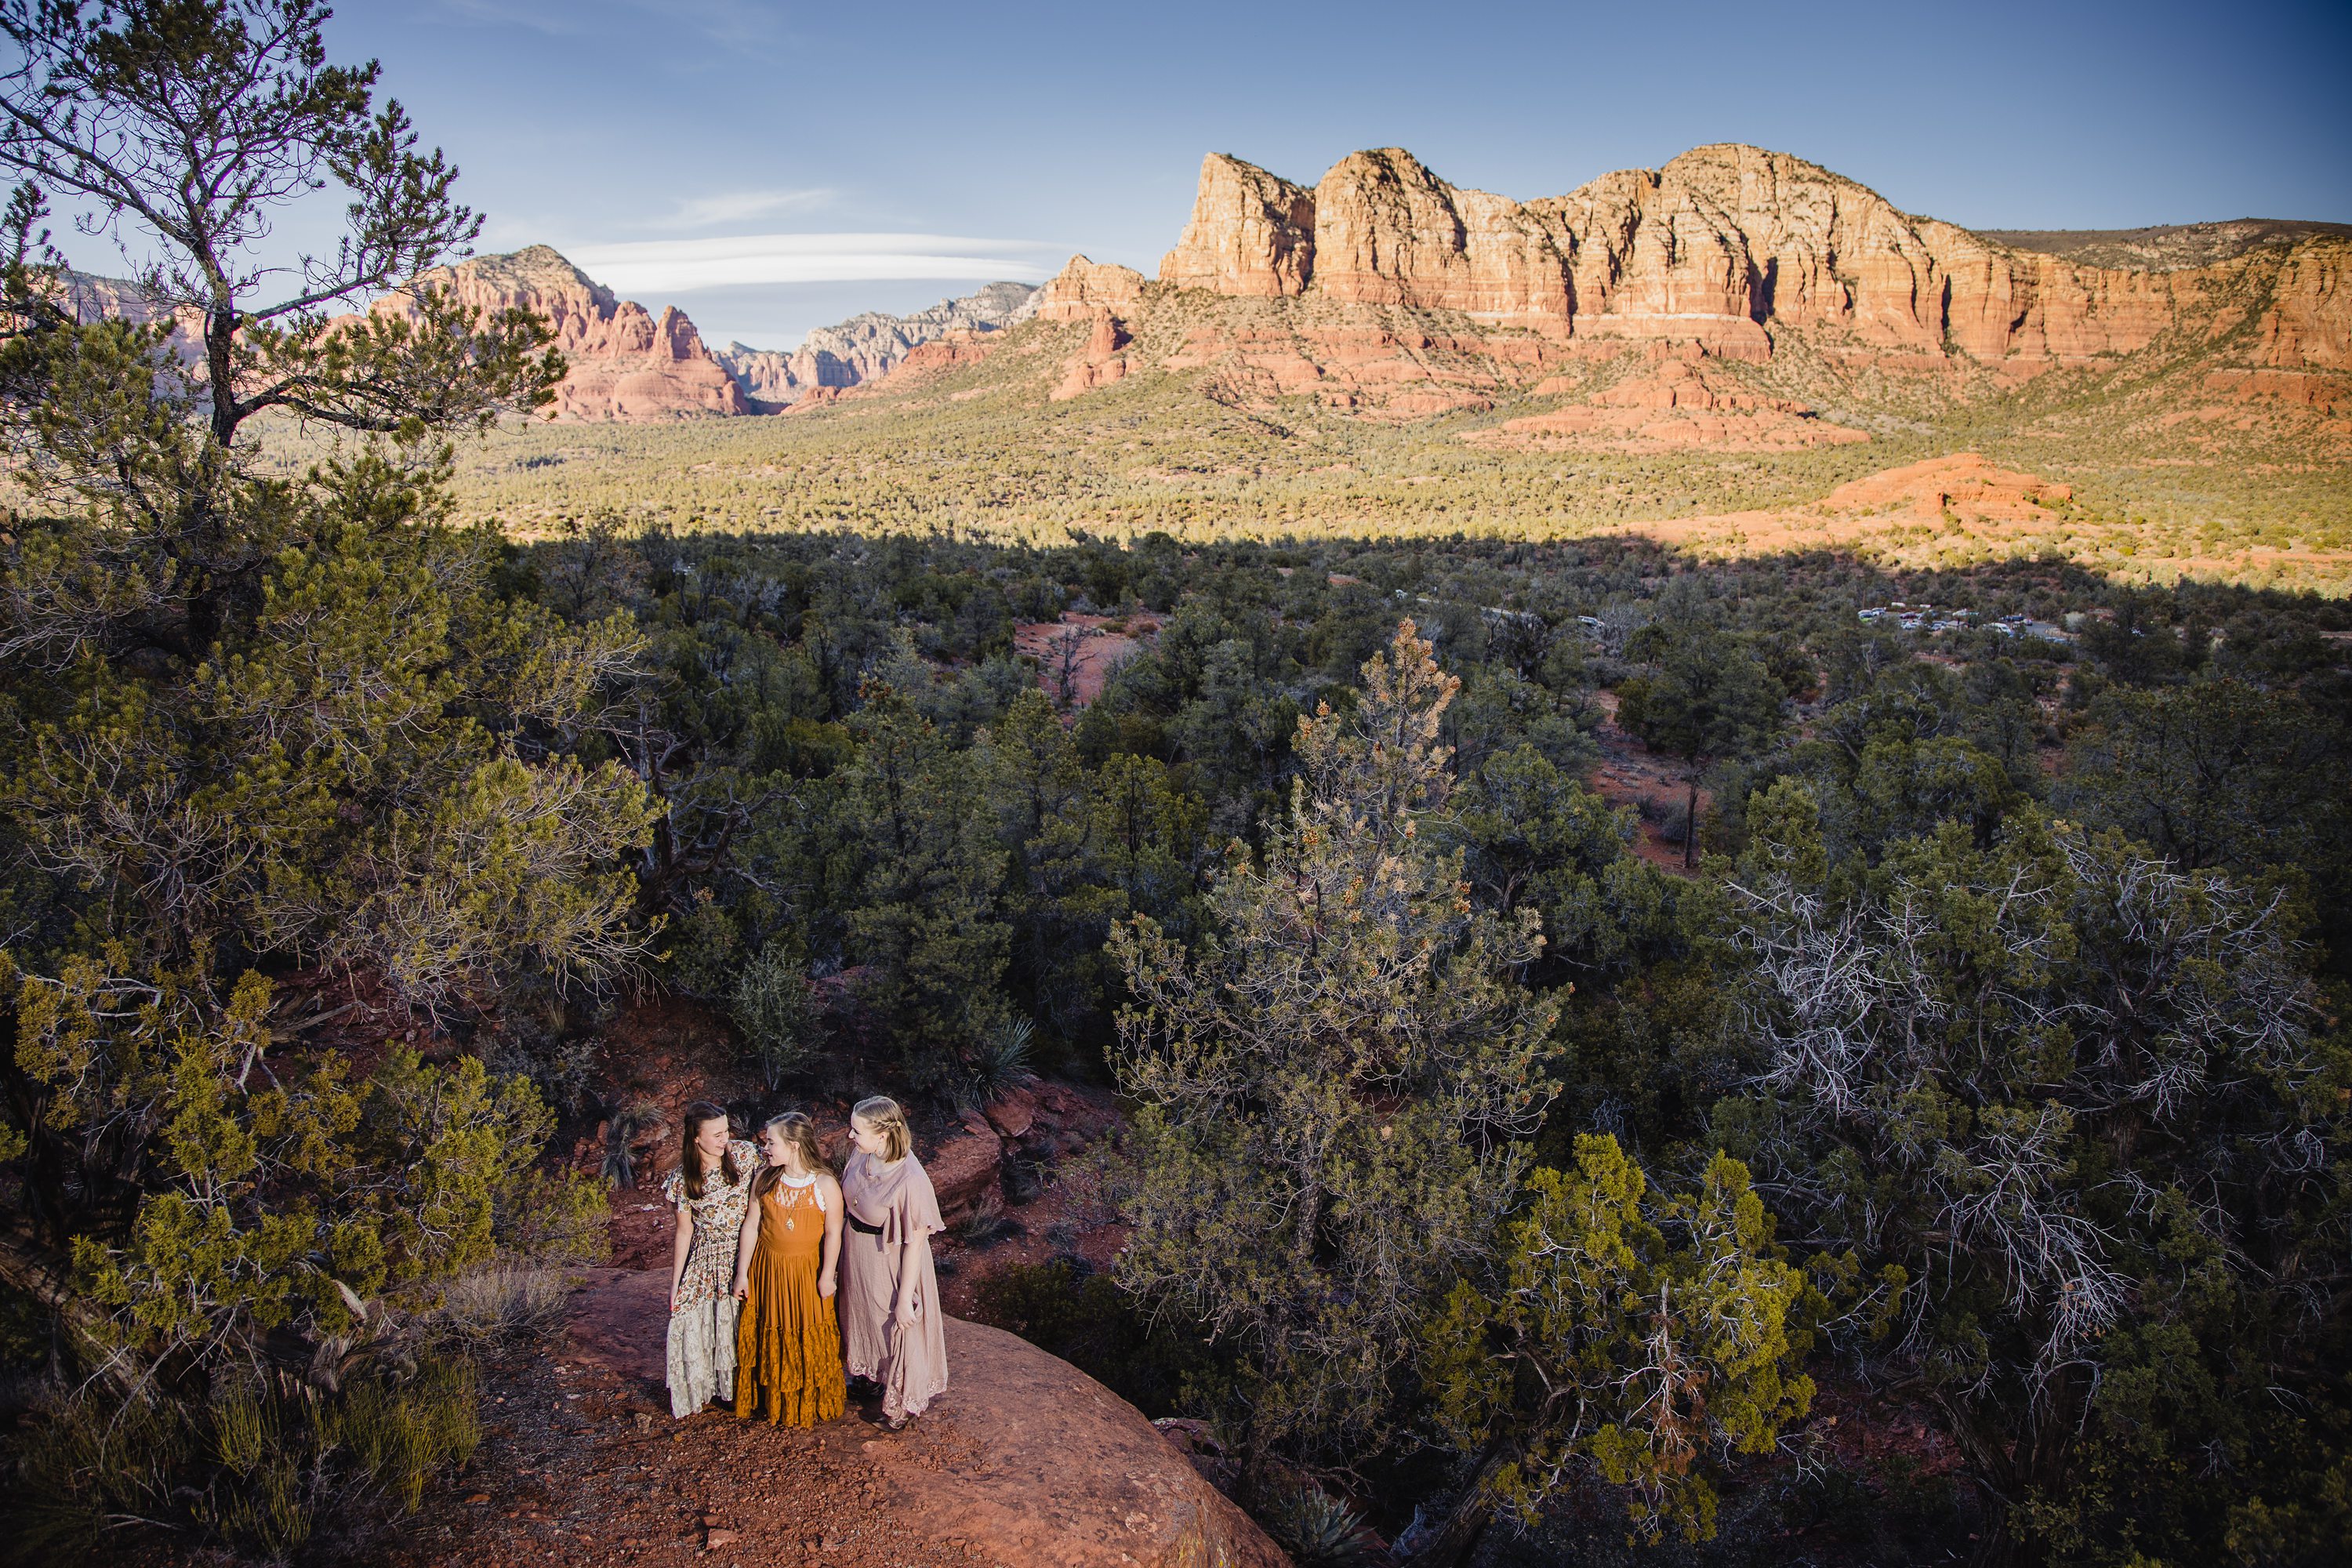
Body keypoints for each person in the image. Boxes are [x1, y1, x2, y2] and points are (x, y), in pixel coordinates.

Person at [838, 1094, 948, 1428]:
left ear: (883, 1135)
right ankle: (870, 1376)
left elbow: (915, 1245)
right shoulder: (862, 1153)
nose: (850, 1137)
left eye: (857, 1131)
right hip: (856, 1250)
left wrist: (905, 1298)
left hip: (889, 1261)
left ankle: (900, 1406)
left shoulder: (910, 1181)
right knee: (862, 1315)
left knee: (895, 1324)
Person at [731, 1111, 847, 1427]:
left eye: (772, 1142)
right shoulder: (765, 1178)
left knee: (805, 1329)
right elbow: (752, 1225)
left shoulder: (824, 1184)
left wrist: (827, 1276)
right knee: (770, 1328)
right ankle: (771, 1402)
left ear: (794, 1145)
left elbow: (834, 1233)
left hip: (805, 1273)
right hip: (767, 1270)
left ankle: (805, 1403)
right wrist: (743, 1273)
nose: (766, 1148)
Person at [662, 1102, 757, 1418]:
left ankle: (750, 1387)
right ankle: (718, 1388)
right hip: (707, 1255)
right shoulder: (683, 1179)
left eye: (726, 1131)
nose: (724, 1139)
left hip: (746, 1248)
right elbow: (684, 1232)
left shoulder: (744, 1155)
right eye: (716, 1134)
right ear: (695, 1138)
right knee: (711, 1321)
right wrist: (676, 1285)